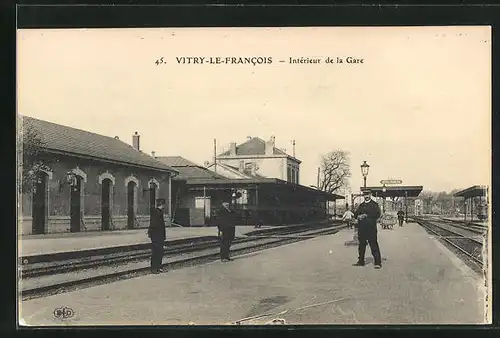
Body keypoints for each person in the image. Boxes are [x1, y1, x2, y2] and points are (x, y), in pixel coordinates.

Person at [353, 190, 382, 269]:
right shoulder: (361, 205)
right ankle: (361, 261)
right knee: (361, 245)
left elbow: (377, 214)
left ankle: (378, 263)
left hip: (371, 228)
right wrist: (358, 216)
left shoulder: (374, 205)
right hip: (362, 228)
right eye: (364, 195)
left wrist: (366, 215)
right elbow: (355, 214)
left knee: (373, 245)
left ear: (370, 195)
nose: (366, 196)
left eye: (367, 195)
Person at [147, 198, 167, 274]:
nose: (164, 206)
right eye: (164, 204)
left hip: (158, 236)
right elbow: (155, 225)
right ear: (162, 205)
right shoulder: (157, 213)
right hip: (156, 236)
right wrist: (153, 234)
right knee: (156, 252)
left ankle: (158, 267)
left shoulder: (158, 212)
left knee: (159, 252)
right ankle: (154, 268)